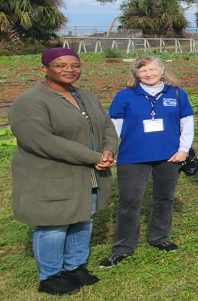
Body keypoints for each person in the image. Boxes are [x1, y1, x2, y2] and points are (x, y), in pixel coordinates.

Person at [10, 48, 118, 295]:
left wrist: (109, 149)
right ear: (44, 69)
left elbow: (106, 126)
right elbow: (40, 140)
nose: (70, 70)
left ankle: (75, 267)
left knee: (82, 218)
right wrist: (93, 157)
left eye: (75, 65)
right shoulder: (30, 101)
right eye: (61, 65)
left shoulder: (86, 96)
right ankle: (50, 276)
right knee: (54, 224)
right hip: (52, 174)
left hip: (86, 173)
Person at [100, 56, 194, 268]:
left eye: (153, 69)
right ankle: (123, 247)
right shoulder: (124, 96)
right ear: (136, 74)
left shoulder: (177, 93)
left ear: (162, 71)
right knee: (130, 201)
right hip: (133, 157)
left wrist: (183, 150)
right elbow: (113, 128)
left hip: (168, 156)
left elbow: (186, 122)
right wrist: (109, 151)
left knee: (164, 198)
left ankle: (159, 237)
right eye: (143, 71)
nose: (149, 74)